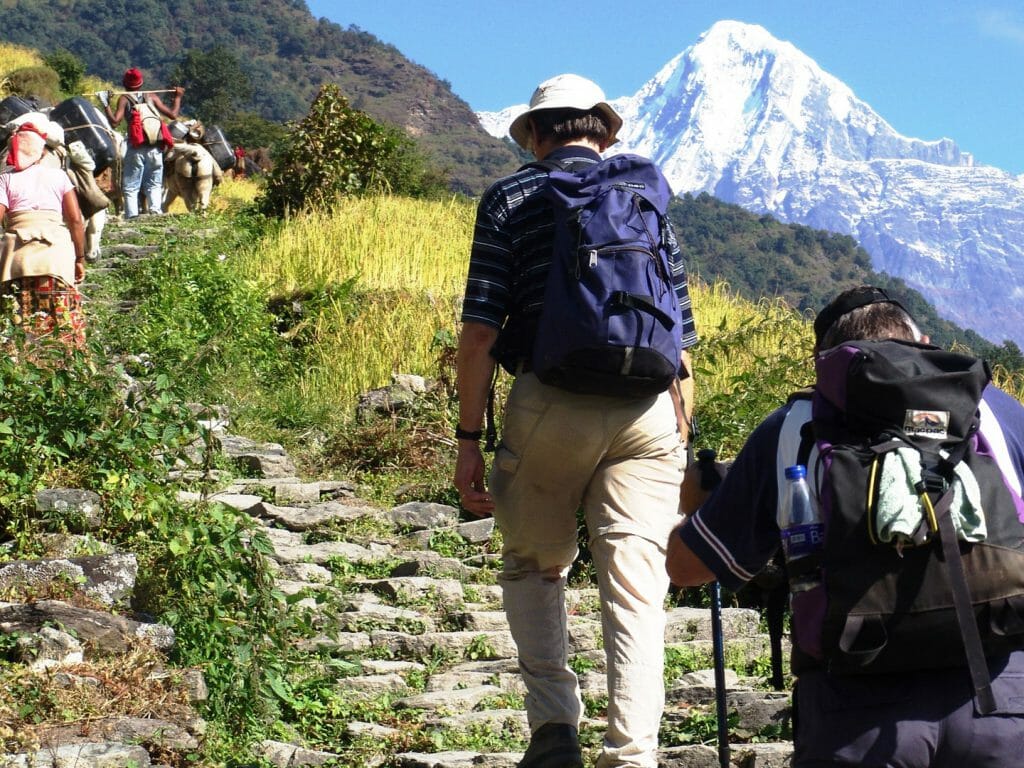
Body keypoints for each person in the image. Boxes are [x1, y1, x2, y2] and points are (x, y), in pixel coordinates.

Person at [666, 286, 1024, 768]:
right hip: (1000, 698)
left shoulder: (795, 426)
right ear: (925, 340)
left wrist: (690, 508)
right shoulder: (996, 412)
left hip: (855, 713)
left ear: (825, 364)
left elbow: (687, 568)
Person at [453, 73, 698, 768]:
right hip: (649, 407)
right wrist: (679, 441)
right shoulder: (645, 197)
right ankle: (634, 753)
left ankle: (556, 729)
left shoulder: (511, 196)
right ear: (603, 131)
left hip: (549, 397)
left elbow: (479, 333)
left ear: (535, 135)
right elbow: (681, 344)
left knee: (535, 564)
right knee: (635, 583)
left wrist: (469, 441)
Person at [0, 120, 87, 347]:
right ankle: (69, 367)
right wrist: (80, 258)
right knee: (63, 318)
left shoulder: (6, 179)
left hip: (16, 260)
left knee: (16, 319)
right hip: (55, 256)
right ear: (40, 152)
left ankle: (18, 368)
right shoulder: (58, 176)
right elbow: (76, 220)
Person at [102, 67, 183, 218]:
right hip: (155, 149)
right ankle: (155, 212)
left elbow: (114, 123)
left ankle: (132, 216)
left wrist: (106, 104)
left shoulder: (124, 99)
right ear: (141, 82)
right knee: (154, 183)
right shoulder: (151, 96)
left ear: (124, 84)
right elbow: (173, 115)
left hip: (136, 147)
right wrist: (178, 97)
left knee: (131, 185)